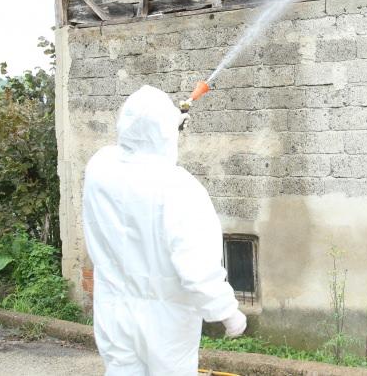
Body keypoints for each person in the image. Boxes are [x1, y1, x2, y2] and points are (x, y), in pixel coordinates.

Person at [82, 85, 246, 376]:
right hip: (166, 319)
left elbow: (132, 147)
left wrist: (169, 123)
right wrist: (227, 311)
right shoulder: (180, 188)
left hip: (113, 309)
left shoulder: (99, 169)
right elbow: (196, 266)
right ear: (165, 133)